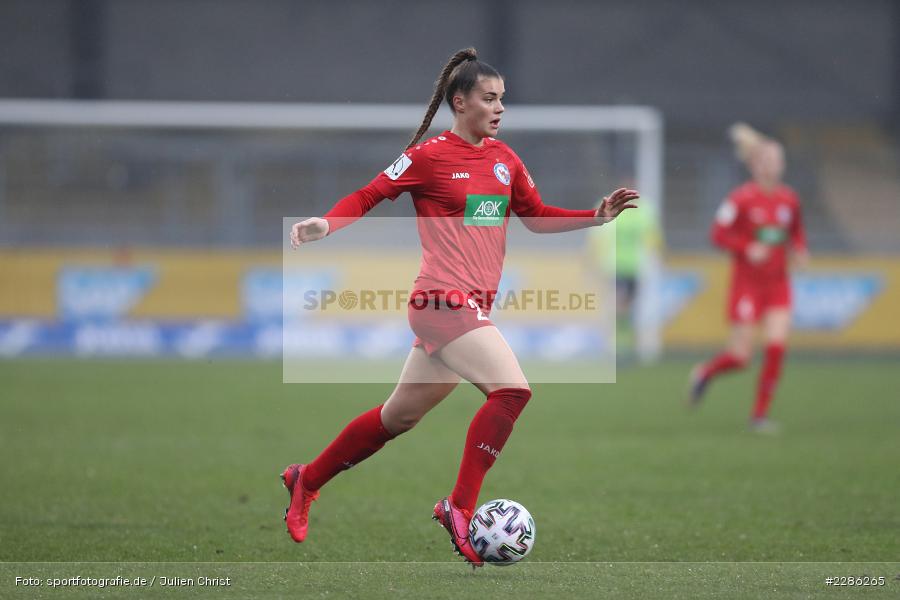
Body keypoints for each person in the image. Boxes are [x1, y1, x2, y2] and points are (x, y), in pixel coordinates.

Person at [284, 47, 639, 567]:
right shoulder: (429, 157)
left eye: (503, 100)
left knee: (396, 418)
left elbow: (535, 216)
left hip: (468, 306)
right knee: (513, 391)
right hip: (439, 300)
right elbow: (368, 194)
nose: (499, 108)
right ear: (460, 102)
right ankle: (459, 507)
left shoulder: (505, 160)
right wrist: (326, 224)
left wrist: (595, 216)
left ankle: (305, 479)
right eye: (489, 98)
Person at [689, 123, 808, 433]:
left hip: (778, 284)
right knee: (740, 357)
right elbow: (717, 235)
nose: (773, 166)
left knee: (776, 347)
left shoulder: (789, 200)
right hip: (747, 286)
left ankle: (759, 415)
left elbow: (796, 234)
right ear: (754, 164)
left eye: (777, 160)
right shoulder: (740, 200)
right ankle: (704, 372)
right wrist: (746, 248)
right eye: (766, 160)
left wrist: (799, 251)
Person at [586, 180, 663, 363]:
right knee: (619, 306)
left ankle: (623, 345)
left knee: (626, 307)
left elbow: (653, 238)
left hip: (634, 267)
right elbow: (596, 238)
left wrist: (658, 259)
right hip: (613, 266)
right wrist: (592, 261)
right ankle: (617, 346)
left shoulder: (643, 209)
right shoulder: (613, 206)